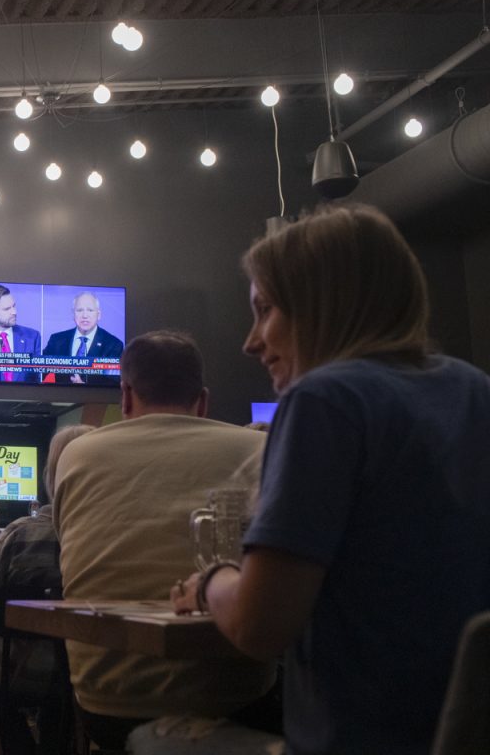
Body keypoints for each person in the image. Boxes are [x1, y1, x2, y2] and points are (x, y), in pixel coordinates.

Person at [172, 204, 490, 755]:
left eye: (265, 309)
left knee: (157, 735)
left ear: (321, 305)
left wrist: (209, 583)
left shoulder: (324, 400)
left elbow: (258, 629)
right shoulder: (475, 390)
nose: (250, 341)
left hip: (359, 739)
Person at [52, 330, 274, 750]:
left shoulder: (77, 454)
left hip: (106, 699)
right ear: (203, 401)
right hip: (231, 698)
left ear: (126, 395)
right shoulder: (259, 450)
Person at [0, 424, 94, 755]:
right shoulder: (112, 537)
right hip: (92, 673)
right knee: (62, 693)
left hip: (16, 672)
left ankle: (18, 748)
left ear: (51, 474)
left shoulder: (19, 534)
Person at [42, 291, 124, 384]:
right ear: (73, 314)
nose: (85, 316)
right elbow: (39, 371)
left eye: (90, 310)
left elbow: (114, 383)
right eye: (80, 310)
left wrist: (85, 388)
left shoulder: (113, 345)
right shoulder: (57, 340)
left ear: (99, 315)